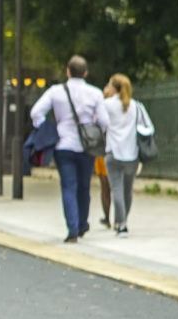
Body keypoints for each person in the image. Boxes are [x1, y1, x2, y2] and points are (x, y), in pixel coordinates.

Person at [29, 55, 110, 242]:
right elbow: (105, 121)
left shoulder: (56, 92)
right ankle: (82, 224)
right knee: (84, 186)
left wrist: (48, 129)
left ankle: (72, 229)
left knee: (68, 186)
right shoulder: (95, 93)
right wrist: (94, 128)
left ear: (67, 71)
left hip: (63, 145)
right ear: (86, 73)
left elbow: (36, 113)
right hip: (87, 147)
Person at [102, 73, 154, 237]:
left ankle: (121, 224)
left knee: (116, 189)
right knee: (127, 190)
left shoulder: (107, 105)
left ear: (114, 88)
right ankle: (124, 221)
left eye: (110, 85)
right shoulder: (136, 106)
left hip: (113, 152)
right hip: (132, 154)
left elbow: (99, 123)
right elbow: (149, 127)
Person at [95, 80, 115, 228]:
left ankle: (107, 218)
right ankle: (118, 218)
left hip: (102, 149)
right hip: (117, 150)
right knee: (116, 186)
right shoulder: (125, 106)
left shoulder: (102, 107)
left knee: (105, 185)